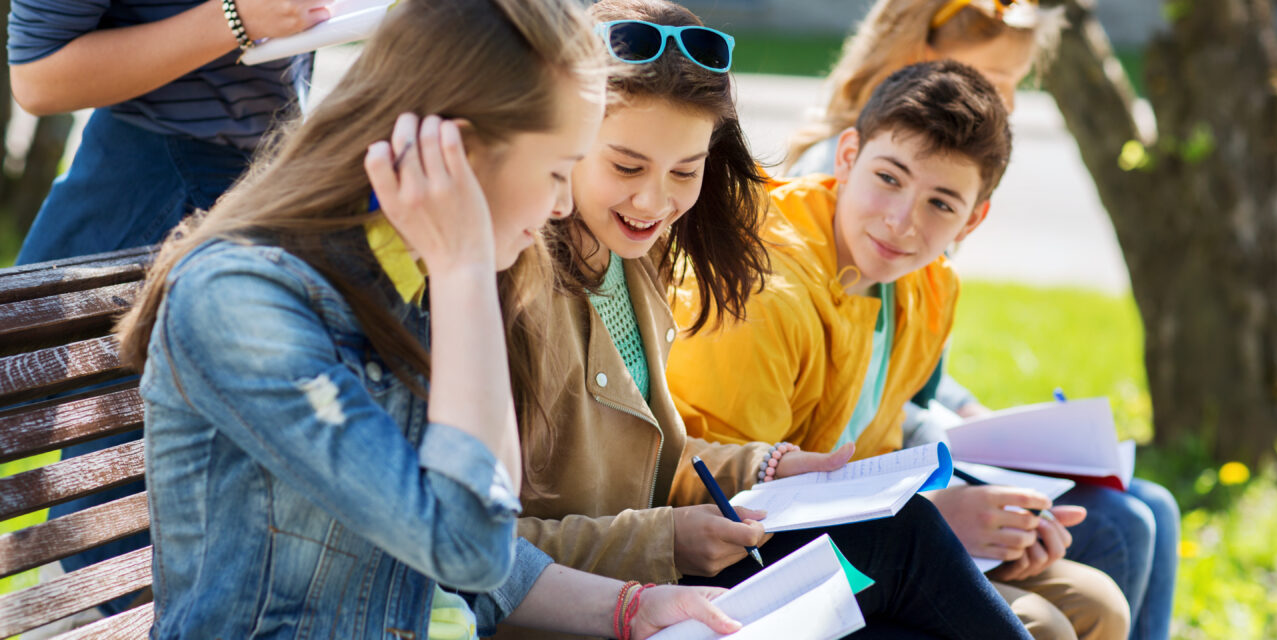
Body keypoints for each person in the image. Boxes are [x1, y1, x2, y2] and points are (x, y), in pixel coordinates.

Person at [111, 1, 744, 637]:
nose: (559, 204)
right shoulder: (244, 303)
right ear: (456, 151)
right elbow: (469, 543)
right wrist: (464, 271)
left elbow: (486, 547)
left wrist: (631, 609)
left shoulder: (424, 273)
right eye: (555, 170)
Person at [481, 2, 1036, 638]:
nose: (654, 200)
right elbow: (484, 548)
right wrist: (667, 539)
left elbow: (648, 459)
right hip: (592, 610)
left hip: (649, 581)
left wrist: (766, 468)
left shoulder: (633, 256)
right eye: (626, 167)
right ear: (566, 137)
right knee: (905, 539)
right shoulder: (514, 283)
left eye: (685, 171)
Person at [666, 56, 1131, 640]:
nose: (902, 223)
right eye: (888, 178)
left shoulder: (930, 285)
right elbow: (731, 504)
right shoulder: (763, 295)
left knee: (1098, 603)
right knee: (1045, 624)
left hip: (866, 536)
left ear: (973, 219)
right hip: (754, 569)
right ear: (848, 156)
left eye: (941, 203)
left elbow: (875, 454)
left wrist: (993, 519)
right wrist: (938, 522)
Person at [785, 2, 1179, 638]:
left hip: (896, 473)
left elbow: (898, 380)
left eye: (1015, 84)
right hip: (861, 500)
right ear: (922, 65)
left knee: (1147, 506)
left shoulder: (918, 237)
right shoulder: (852, 207)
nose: (1009, 104)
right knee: (1117, 527)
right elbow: (844, 415)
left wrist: (982, 425)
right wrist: (953, 467)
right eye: (994, 81)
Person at [6, 0, 329, 602]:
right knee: (117, 523)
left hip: (262, 178)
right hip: (157, 182)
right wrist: (237, 19)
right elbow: (37, 74)